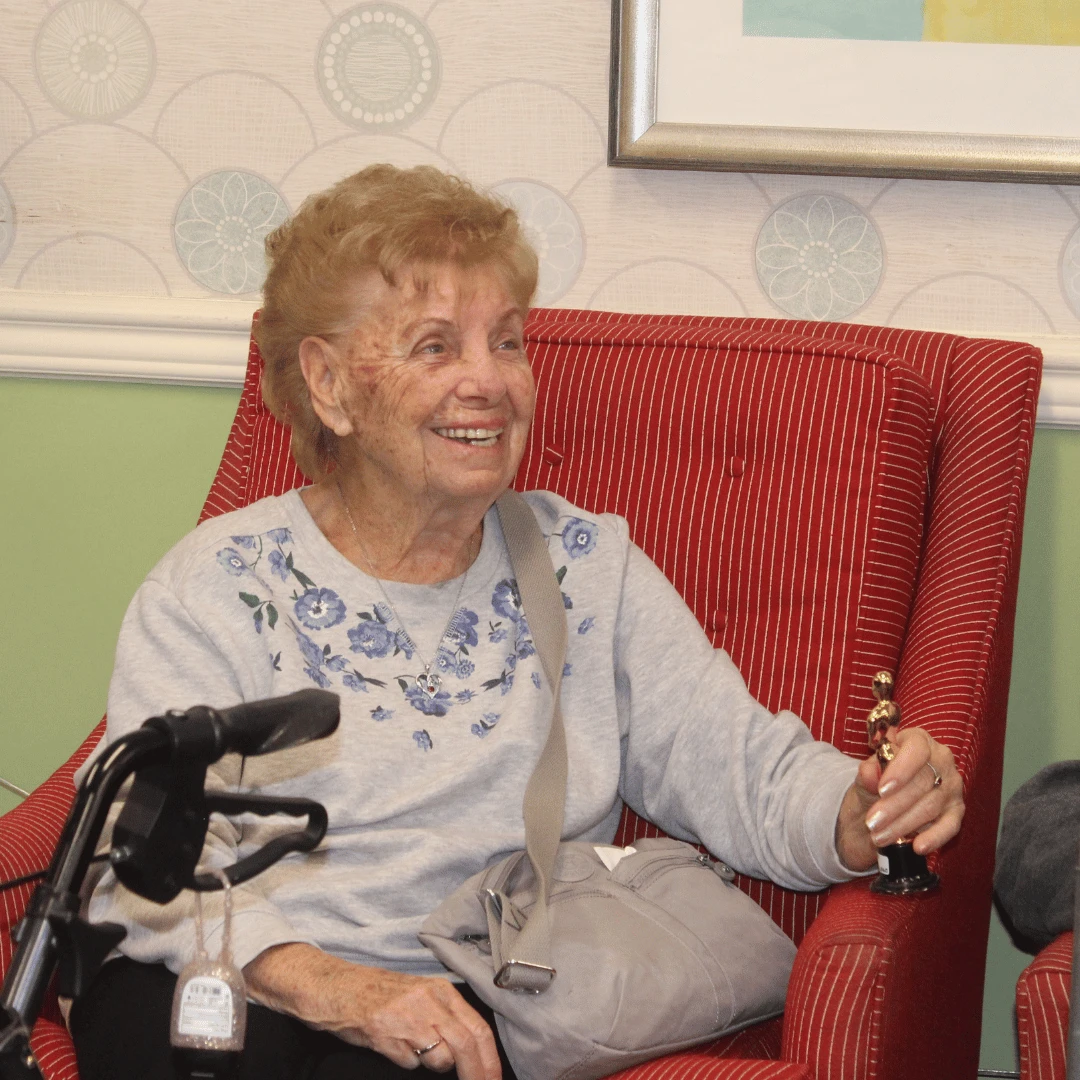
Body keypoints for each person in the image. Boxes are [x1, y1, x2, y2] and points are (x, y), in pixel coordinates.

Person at [70, 164, 965, 1080]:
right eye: (434, 348)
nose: (489, 382)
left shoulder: (585, 567)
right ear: (329, 385)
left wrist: (862, 810)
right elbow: (134, 865)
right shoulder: (217, 584)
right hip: (247, 977)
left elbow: (738, 768)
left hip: (461, 994)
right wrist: (333, 988)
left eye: (507, 342)